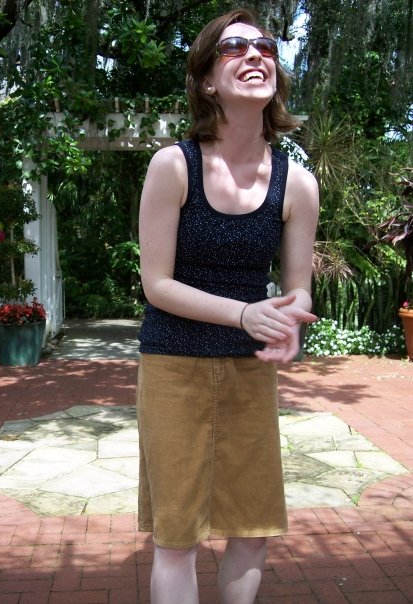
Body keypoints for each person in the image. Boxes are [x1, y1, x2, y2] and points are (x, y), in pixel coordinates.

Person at [137, 8, 319, 604]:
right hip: (174, 367)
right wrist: (243, 313)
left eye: (264, 46)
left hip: (249, 373)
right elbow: (157, 284)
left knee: (251, 529)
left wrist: (289, 320)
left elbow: (298, 288)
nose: (255, 54)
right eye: (234, 47)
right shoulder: (173, 165)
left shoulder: (297, 183)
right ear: (207, 80)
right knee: (177, 537)